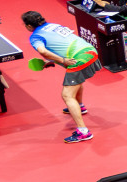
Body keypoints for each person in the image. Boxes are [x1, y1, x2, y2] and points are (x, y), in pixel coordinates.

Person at [21, 10, 99, 143]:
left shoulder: (35, 36)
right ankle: (79, 106)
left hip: (80, 58)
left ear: (29, 26)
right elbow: (64, 46)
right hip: (90, 50)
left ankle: (83, 132)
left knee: (67, 95)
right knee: (75, 80)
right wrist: (54, 61)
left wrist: (62, 61)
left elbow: (43, 51)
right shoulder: (53, 25)